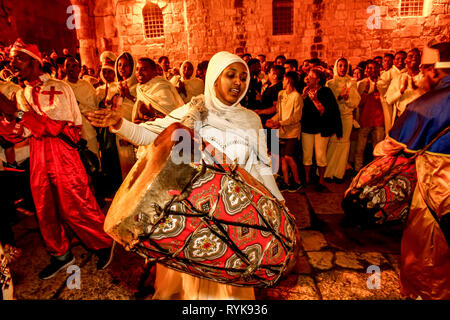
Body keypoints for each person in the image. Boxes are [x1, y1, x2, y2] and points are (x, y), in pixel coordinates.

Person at [86, 51, 284, 300]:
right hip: (191, 222)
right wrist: (120, 124)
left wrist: (278, 202)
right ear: (214, 78)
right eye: (231, 75)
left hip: (234, 221)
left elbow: (263, 164)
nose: (238, 82)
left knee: (227, 293)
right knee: (190, 293)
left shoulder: (251, 119)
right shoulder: (194, 110)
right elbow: (155, 135)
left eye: (244, 77)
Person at [0, 39, 114, 280]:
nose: (13, 64)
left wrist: (17, 113)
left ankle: (103, 243)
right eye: (11, 60)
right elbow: (21, 131)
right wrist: (8, 120)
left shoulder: (59, 87)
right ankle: (60, 254)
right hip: (38, 154)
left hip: (62, 153)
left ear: (35, 62)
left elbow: (53, 127)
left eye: (18, 59)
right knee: (44, 205)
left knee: (75, 203)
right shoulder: (22, 93)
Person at [373, 41, 450, 300]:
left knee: (426, 254)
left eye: (425, 69)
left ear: (433, 71)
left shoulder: (427, 105)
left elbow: (386, 147)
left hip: (437, 195)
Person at [300, 67, 342, 190]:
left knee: (320, 155)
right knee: (307, 154)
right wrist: (303, 96)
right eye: (308, 76)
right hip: (307, 126)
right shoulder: (306, 90)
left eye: (311, 77)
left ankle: (321, 179)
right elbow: (301, 109)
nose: (308, 79)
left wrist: (315, 99)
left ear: (318, 80)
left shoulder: (326, 91)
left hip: (321, 128)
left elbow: (325, 111)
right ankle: (307, 178)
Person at [324, 58, 361, 183]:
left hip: (346, 116)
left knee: (344, 144)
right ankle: (327, 172)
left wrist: (347, 99)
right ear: (336, 66)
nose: (342, 68)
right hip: (334, 117)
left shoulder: (352, 82)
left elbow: (356, 101)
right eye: (340, 65)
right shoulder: (330, 83)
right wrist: (339, 97)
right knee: (332, 143)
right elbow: (327, 101)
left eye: (345, 66)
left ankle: (339, 173)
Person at [266, 71, 304, 192]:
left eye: (283, 80)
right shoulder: (281, 94)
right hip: (281, 131)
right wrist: (272, 120)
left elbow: (296, 117)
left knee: (288, 156)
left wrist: (280, 123)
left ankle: (297, 181)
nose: (282, 82)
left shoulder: (297, 96)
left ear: (288, 80)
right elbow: (279, 113)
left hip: (292, 131)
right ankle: (286, 182)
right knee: (282, 158)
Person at [63, 57, 100, 159]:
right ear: (64, 69)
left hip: (87, 128)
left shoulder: (86, 85)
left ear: (79, 69)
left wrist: (79, 105)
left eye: (74, 66)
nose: (71, 69)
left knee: (94, 159)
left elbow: (94, 107)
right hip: (70, 132)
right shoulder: (62, 86)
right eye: (68, 66)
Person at [109, 52, 138, 179]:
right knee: (125, 163)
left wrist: (129, 96)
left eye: (126, 65)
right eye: (119, 65)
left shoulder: (139, 86)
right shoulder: (114, 87)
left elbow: (142, 105)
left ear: (132, 67)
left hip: (135, 127)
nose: (122, 68)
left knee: (138, 162)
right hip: (120, 128)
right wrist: (118, 96)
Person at [354, 61, 385, 172]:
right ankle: (357, 170)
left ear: (377, 69)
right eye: (369, 68)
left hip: (379, 119)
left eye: (373, 68)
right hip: (365, 119)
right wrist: (366, 93)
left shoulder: (383, 83)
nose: (371, 70)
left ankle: (376, 171)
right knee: (360, 148)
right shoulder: (362, 84)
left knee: (378, 149)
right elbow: (357, 103)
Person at [385, 48, 424, 123]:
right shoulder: (398, 79)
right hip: (403, 117)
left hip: (421, 118)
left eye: (417, 56)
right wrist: (401, 91)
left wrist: (418, 90)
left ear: (420, 61)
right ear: (405, 61)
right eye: (411, 56)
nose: (414, 58)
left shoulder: (425, 77)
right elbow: (389, 100)